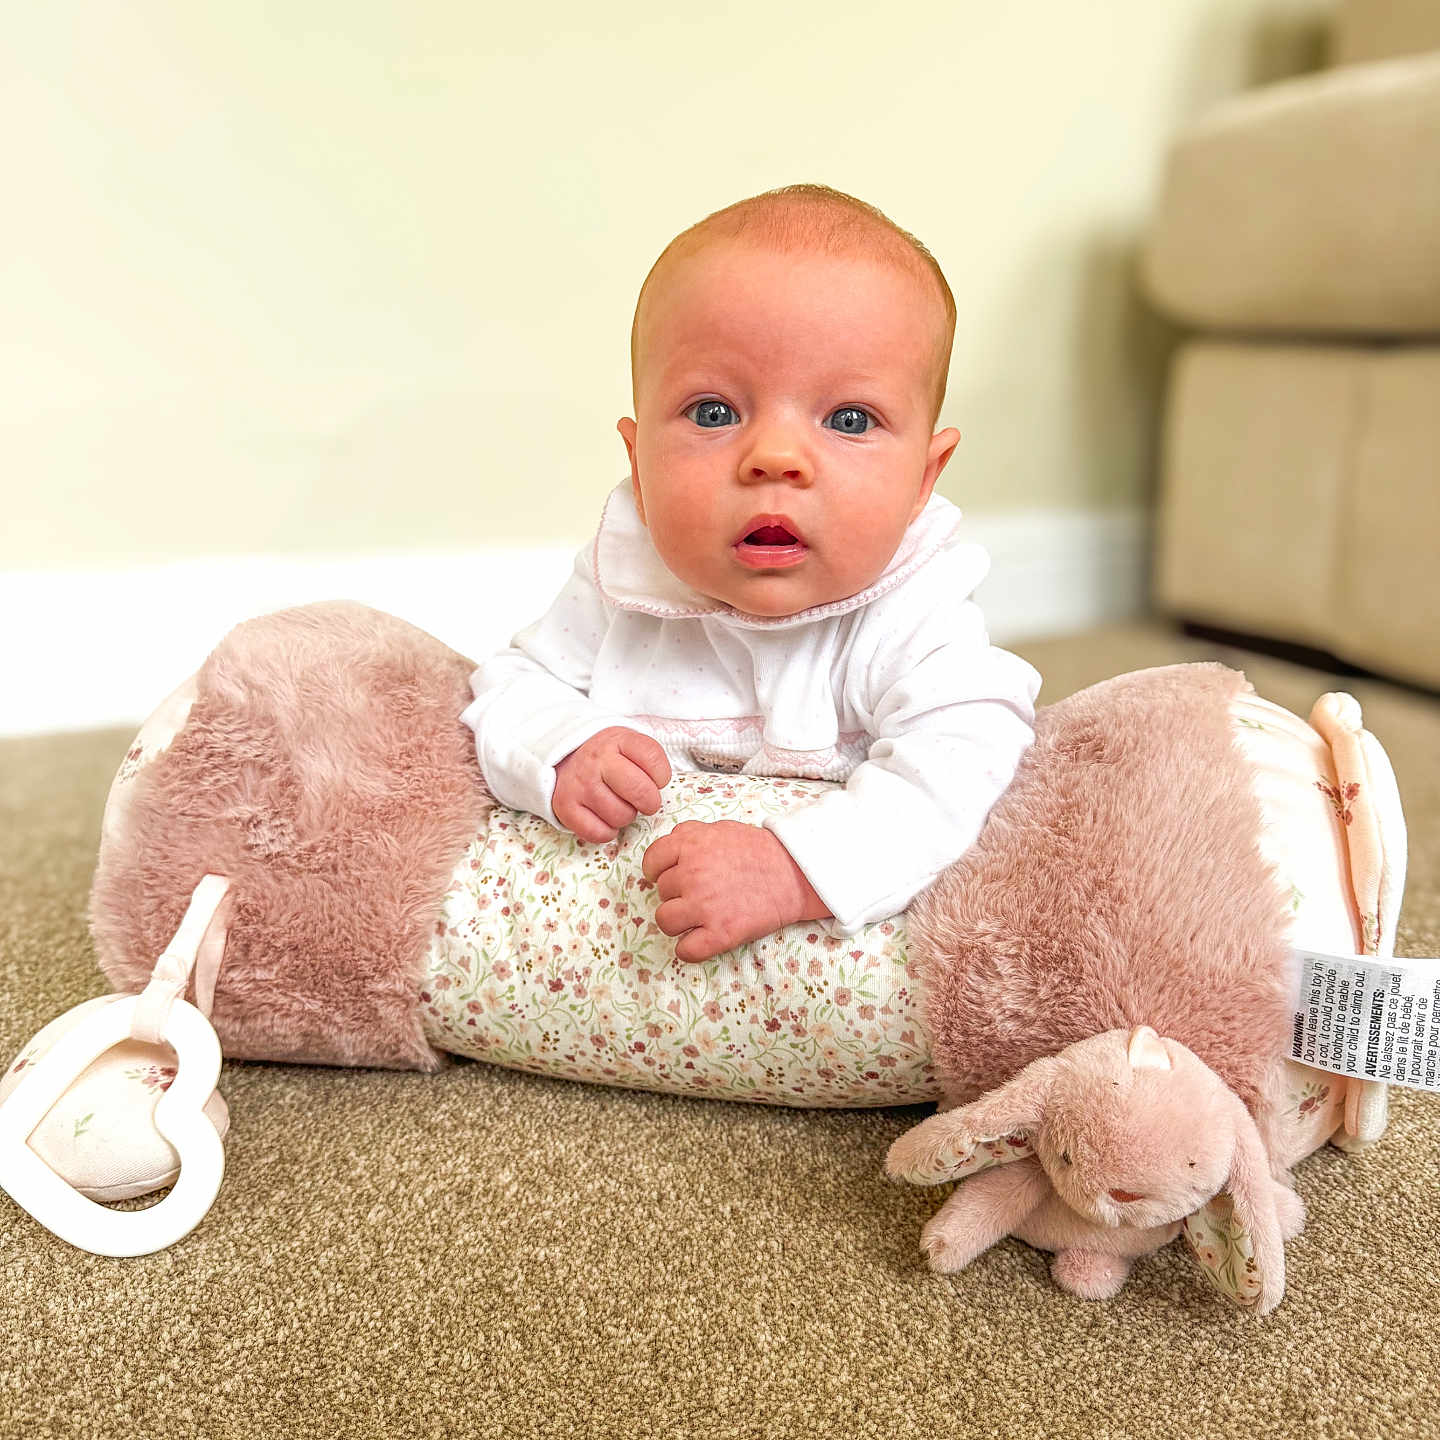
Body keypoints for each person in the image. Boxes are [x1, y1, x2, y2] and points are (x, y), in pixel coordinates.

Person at [462, 183, 1041, 963]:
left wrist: (794, 871)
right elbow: (511, 686)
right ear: (639, 460)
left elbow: (968, 757)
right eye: (713, 412)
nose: (775, 457)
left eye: (848, 420)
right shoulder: (625, 579)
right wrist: (561, 747)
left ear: (924, 479)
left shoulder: (913, 608)